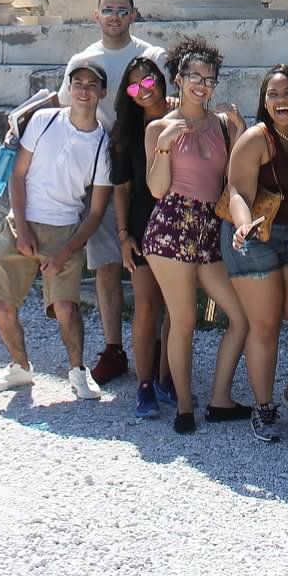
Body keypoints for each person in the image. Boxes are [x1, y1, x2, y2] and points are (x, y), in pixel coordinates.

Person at [0, 61, 112, 397]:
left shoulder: (103, 145)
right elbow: (18, 174)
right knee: (3, 304)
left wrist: (66, 251)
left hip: (64, 230)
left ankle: (78, 371)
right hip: (21, 220)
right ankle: (19, 366)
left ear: (102, 92)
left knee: (66, 309)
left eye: (91, 84)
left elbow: (95, 211)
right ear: (70, 87)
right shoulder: (43, 120)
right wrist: (21, 227)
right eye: (78, 83)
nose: (84, 90)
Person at [142, 40, 250, 435]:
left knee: (240, 317)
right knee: (184, 320)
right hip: (172, 225)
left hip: (208, 227)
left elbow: (234, 179)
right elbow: (156, 189)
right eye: (195, 77)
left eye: (210, 79)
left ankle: (220, 398)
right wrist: (165, 149)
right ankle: (185, 405)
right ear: (179, 79)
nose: (202, 85)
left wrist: (238, 131)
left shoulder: (221, 124)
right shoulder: (159, 127)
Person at [62, 0, 166, 386]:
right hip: (100, 168)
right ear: (96, 14)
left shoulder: (152, 57)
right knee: (106, 262)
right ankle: (113, 347)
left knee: (155, 264)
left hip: (147, 166)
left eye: (122, 10)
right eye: (108, 10)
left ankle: (156, 348)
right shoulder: (82, 61)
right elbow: (68, 109)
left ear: (134, 15)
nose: (115, 16)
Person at [221, 64, 288, 443]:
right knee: (264, 325)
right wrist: (245, 224)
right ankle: (263, 407)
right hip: (252, 236)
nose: (281, 100)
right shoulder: (256, 138)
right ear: (264, 102)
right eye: (272, 94)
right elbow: (237, 193)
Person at [109, 57, 176, 420]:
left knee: (177, 310)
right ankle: (145, 384)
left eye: (148, 79)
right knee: (148, 306)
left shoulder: (183, 115)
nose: (144, 89)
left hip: (183, 223)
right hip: (144, 225)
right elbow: (122, 189)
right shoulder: (127, 132)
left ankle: (169, 378)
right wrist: (122, 236)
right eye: (134, 86)